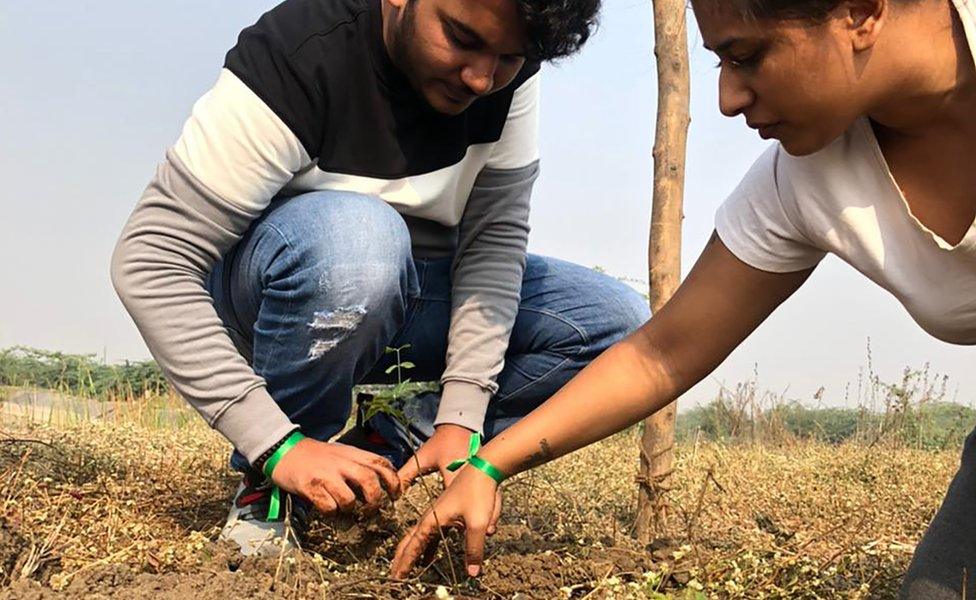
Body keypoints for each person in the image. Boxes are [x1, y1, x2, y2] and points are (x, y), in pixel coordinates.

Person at [390, 0, 976, 596]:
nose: (728, 99)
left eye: (746, 56)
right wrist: (489, 465)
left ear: (860, 13)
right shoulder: (806, 179)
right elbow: (661, 354)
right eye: (719, 62)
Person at [111, 0, 651, 557]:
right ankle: (272, 485)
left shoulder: (504, 79)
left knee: (615, 322)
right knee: (361, 246)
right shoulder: (302, 53)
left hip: (414, 291)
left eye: (510, 57)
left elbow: (492, 245)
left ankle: (388, 444)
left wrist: (461, 418)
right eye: (462, 38)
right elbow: (152, 257)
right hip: (291, 287)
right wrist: (276, 445)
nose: (481, 78)